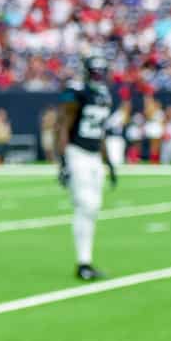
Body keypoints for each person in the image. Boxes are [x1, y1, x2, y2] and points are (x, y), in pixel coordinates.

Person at [55, 53, 117, 281]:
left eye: (102, 72)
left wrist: (108, 162)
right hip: (77, 153)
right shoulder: (76, 92)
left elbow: (99, 132)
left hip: (93, 156)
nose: (99, 76)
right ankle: (82, 263)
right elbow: (62, 126)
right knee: (86, 205)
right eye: (95, 72)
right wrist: (62, 162)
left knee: (94, 208)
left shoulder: (103, 95)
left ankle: (86, 261)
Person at [143, 93, 163, 163]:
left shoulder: (160, 112)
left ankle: (156, 160)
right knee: (153, 146)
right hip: (153, 129)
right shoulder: (150, 109)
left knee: (157, 146)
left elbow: (162, 121)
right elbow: (148, 116)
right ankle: (153, 161)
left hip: (158, 129)